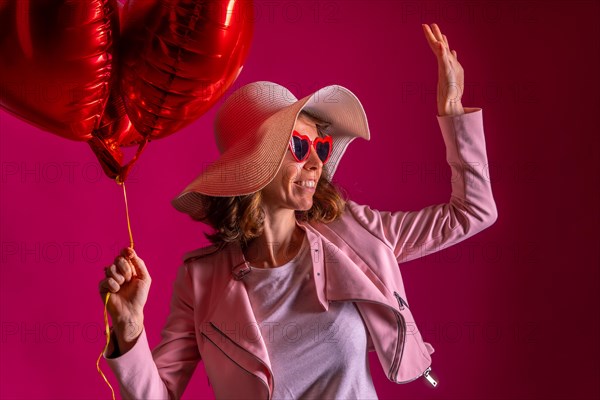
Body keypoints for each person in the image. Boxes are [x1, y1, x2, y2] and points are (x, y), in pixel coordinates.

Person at [99, 23, 497, 400]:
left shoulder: (355, 234)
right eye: (299, 147)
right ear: (253, 167)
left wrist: (452, 111)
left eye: (320, 147)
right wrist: (130, 328)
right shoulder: (200, 281)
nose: (316, 164)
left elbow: (472, 211)